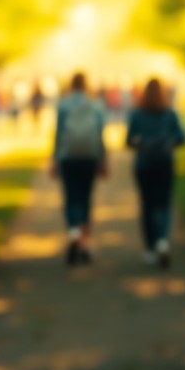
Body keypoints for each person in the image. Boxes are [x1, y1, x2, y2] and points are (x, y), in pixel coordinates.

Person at [125, 77, 185, 269]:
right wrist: (168, 143)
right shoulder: (169, 114)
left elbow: (128, 141)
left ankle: (150, 249)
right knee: (164, 204)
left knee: (147, 207)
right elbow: (182, 137)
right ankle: (162, 240)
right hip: (164, 165)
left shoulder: (137, 114)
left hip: (144, 166)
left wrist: (141, 143)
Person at [52, 72, 108, 266]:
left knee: (70, 197)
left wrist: (54, 159)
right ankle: (84, 244)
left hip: (68, 157)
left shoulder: (64, 105)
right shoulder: (96, 105)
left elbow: (58, 135)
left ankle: (73, 232)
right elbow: (101, 135)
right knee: (86, 198)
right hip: (89, 157)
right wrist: (103, 160)